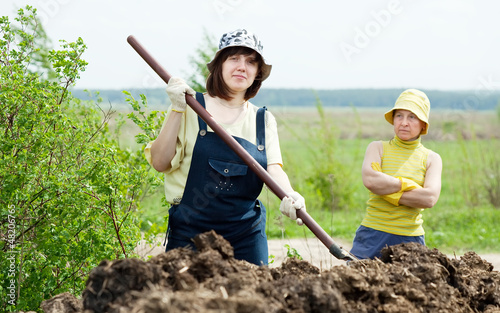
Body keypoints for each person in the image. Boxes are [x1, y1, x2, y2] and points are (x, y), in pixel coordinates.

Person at [144, 29, 305, 266]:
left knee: (253, 299)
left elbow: (274, 169)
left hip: (245, 234)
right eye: (234, 58)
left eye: (251, 61)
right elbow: (160, 162)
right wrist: (177, 109)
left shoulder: (263, 119)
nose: (242, 66)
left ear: (257, 73)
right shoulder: (190, 106)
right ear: (219, 65)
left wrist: (290, 194)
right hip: (190, 231)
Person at [350, 89, 443, 260]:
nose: (404, 122)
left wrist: (384, 189)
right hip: (372, 235)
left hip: (410, 240)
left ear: (423, 124)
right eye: (399, 116)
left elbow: (429, 198)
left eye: (412, 117)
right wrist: (408, 185)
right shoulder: (377, 148)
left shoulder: (432, 159)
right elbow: (371, 180)